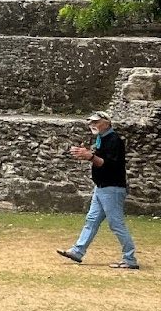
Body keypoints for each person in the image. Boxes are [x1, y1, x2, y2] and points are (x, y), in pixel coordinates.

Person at [57, 111, 139, 269]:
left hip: (112, 189)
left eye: (96, 122)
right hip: (101, 187)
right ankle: (77, 251)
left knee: (116, 224)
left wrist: (89, 156)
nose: (92, 125)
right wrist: (86, 154)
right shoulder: (101, 139)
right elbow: (98, 159)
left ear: (107, 123)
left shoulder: (114, 140)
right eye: (90, 123)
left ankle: (130, 259)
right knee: (92, 220)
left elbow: (107, 164)